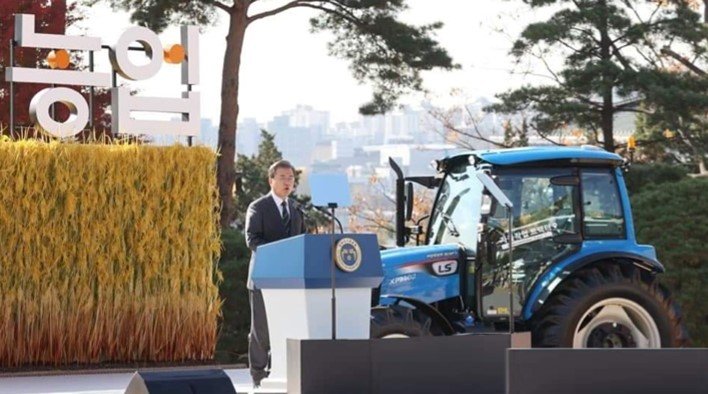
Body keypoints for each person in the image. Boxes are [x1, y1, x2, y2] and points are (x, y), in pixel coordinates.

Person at [245, 160, 307, 387]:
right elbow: (252, 240)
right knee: (261, 330)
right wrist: (279, 254)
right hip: (263, 278)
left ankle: (282, 372)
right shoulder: (258, 207)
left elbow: (302, 241)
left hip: (290, 282)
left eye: (291, 178)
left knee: (288, 328)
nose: (287, 182)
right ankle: (258, 377)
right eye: (282, 177)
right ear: (271, 180)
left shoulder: (297, 209)